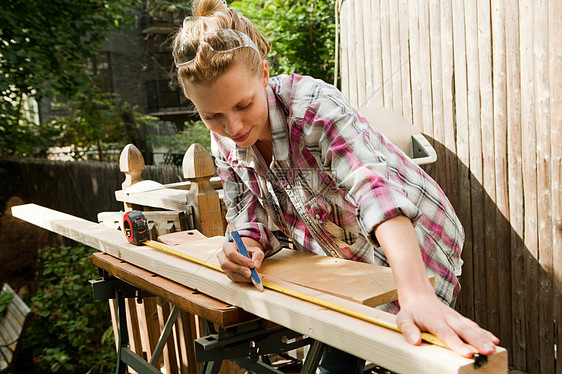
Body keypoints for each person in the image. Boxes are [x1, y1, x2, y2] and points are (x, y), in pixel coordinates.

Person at [172, 0, 499, 372]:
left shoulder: (313, 106)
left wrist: (416, 293)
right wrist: (242, 246)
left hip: (418, 250)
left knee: (417, 357)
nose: (233, 128)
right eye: (211, 115)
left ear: (263, 74)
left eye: (243, 105)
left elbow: (374, 188)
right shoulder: (225, 143)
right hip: (347, 269)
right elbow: (248, 209)